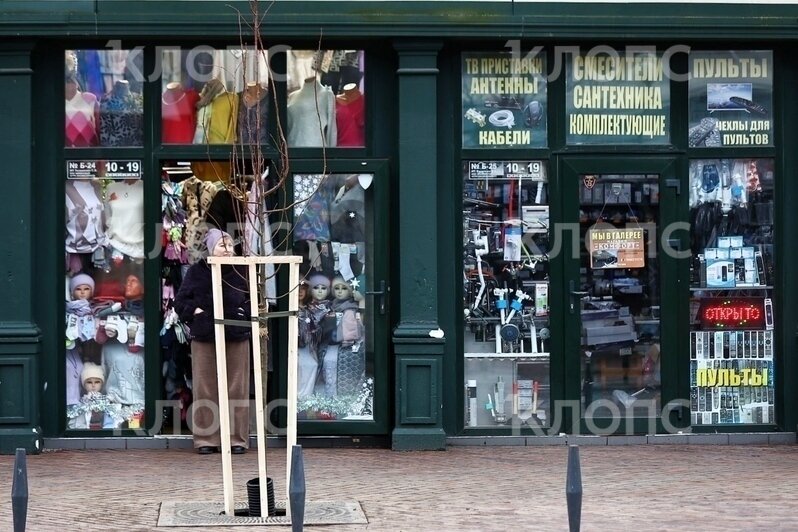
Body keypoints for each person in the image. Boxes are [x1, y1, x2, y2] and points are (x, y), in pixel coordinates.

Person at [174, 228, 251, 455]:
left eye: (230, 245)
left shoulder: (242, 269)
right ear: (210, 248)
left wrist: (241, 314)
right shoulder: (197, 272)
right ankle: (206, 438)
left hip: (236, 334)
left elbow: (254, 299)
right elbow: (180, 302)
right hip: (205, 334)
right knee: (205, 386)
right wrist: (196, 312)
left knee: (237, 386)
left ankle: (237, 439)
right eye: (221, 245)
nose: (227, 250)